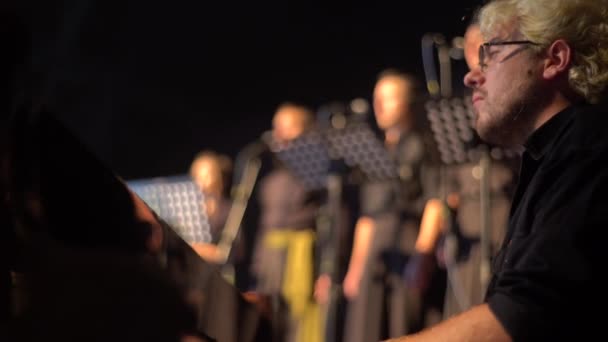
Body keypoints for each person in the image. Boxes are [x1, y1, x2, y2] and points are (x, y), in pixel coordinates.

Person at [387, 0, 608, 340]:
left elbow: (524, 317)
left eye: (490, 56)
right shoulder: (556, 153)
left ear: (554, 59)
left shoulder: (588, 150)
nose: (472, 75)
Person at [341, 69, 441, 342]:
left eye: (389, 97)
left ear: (408, 102)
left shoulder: (424, 145)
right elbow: (367, 216)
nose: (379, 105)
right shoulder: (374, 153)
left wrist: (423, 255)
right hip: (376, 254)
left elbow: (435, 200)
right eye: (377, 98)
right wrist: (356, 268)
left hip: (407, 247)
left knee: (401, 329)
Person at [250, 102, 323, 342]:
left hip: (301, 256)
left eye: (288, 127)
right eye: (277, 127)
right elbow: (264, 228)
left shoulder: (319, 176)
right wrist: (259, 264)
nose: (279, 134)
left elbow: (332, 221)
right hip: (271, 258)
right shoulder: (269, 182)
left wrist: (326, 271)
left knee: (299, 322)